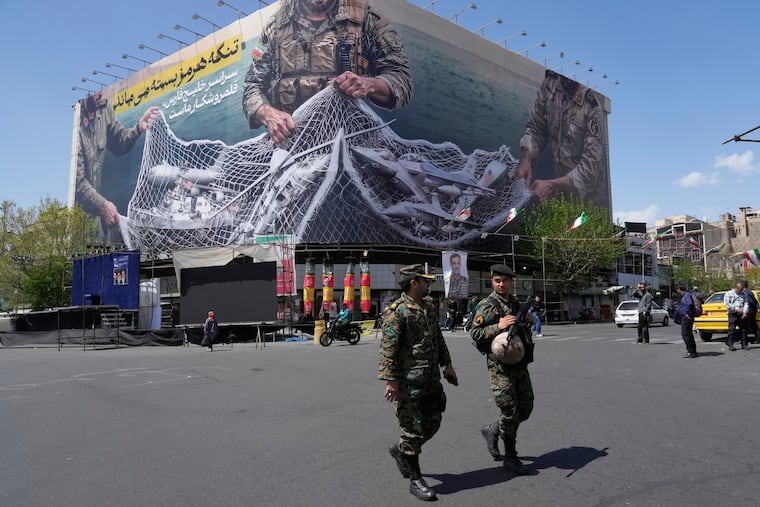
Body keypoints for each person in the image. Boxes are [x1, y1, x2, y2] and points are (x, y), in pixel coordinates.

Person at [242, 0, 413, 144]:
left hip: (353, 143)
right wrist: (267, 114)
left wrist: (369, 84)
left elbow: (401, 77)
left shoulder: (367, 20)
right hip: (291, 146)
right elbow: (253, 85)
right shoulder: (274, 28)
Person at [379, 264, 457, 501]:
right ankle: (415, 480)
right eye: (425, 281)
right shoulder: (397, 312)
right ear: (414, 282)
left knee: (433, 422)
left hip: (431, 379)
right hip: (408, 383)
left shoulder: (427, 309)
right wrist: (391, 380)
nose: (428, 284)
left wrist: (448, 364)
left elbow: (438, 338)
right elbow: (387, 349)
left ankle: (401, 450)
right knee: (412, 430)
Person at [470, 264, 536, 475]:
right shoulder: (486, 305)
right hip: (499, 367)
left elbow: (520, 331)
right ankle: (511, 457)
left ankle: (493, 429)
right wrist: (497, 326)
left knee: (525, 407)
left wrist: (528, 321)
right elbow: (475, 333)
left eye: (504, 281)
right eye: (497, 280)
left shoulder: (516, 303)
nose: (501, 284)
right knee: (509, 411)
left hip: (519, 362)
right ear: (492, 281)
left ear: (511, 282)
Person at [513, 69, 607, 205]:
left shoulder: (593, 108)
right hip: (562, 194)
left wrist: (552, 186)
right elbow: (537, 128)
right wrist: (526, 159)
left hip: (591, 203)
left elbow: (589, 171)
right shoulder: (550, 84)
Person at [75, 91, 159, 234]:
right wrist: (103, 205)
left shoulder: (104, 109)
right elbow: (77, 181)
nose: (101, 93)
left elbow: (119, 143)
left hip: (96, 214)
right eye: (96, 91)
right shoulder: (74, 124)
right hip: (76, 216)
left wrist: (138, 128)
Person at [675, 284, 698, 358]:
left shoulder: (686, 295)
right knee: (689, 334)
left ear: (679, 289)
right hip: (686, 316)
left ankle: (690, 351)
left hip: (686, 317)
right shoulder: (685, 295)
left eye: (677, 289)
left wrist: (687, 313)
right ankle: (693, 351)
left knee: (685, 334)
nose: (677, 291)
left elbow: (690, 303)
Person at [724, 281, 747, 351]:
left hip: (741, 314)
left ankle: (744, 344)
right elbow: (727, 304)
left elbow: (746, 303)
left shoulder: (743, 294)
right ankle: (730, 344)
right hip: (733, 314)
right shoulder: (729, 294)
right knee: (732, 329)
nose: (741, 291)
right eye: (740, 289)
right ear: (737, 288)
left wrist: (745, 312)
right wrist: (737, 309)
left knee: (743, 330)